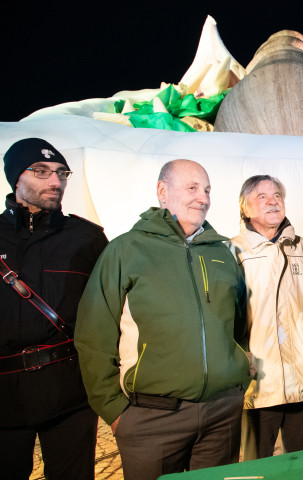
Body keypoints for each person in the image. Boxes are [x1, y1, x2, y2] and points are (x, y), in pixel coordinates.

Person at [75, 159, 252, 480]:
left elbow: (239, 325)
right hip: (151, 419)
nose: (204, 198)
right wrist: (115, 411)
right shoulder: (126, 250)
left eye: (208, 190)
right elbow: (93, 335)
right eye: (192, 188)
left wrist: (237, 382)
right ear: (162, 191)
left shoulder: (222, 252)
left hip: (221, 414)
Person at [0, 138, 108, 480]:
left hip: (71, 393)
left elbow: (111, 309)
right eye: (42, 171)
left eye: (61, 173)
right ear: (16, 178)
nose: (55, 181)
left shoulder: (87, 238)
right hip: (3, 395)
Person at [229, 175, 303, 459]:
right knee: (255, 466)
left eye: (277, 196)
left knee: (301, 461)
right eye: (262, 197)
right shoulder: (232, 250)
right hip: (258, 380)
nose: (273, 201)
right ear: (244, 208)